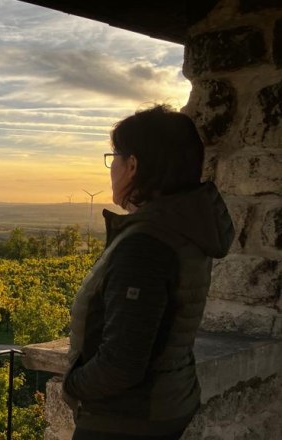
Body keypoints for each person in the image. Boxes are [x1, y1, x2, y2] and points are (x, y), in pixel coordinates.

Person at [62, 104, 235, 439]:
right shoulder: (183, 229)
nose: (111, 168)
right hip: (167, 401)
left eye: (114, 157)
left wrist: (73, 384)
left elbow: (122, 363)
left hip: (126, 418)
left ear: (133, 166)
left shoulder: (147, 244)